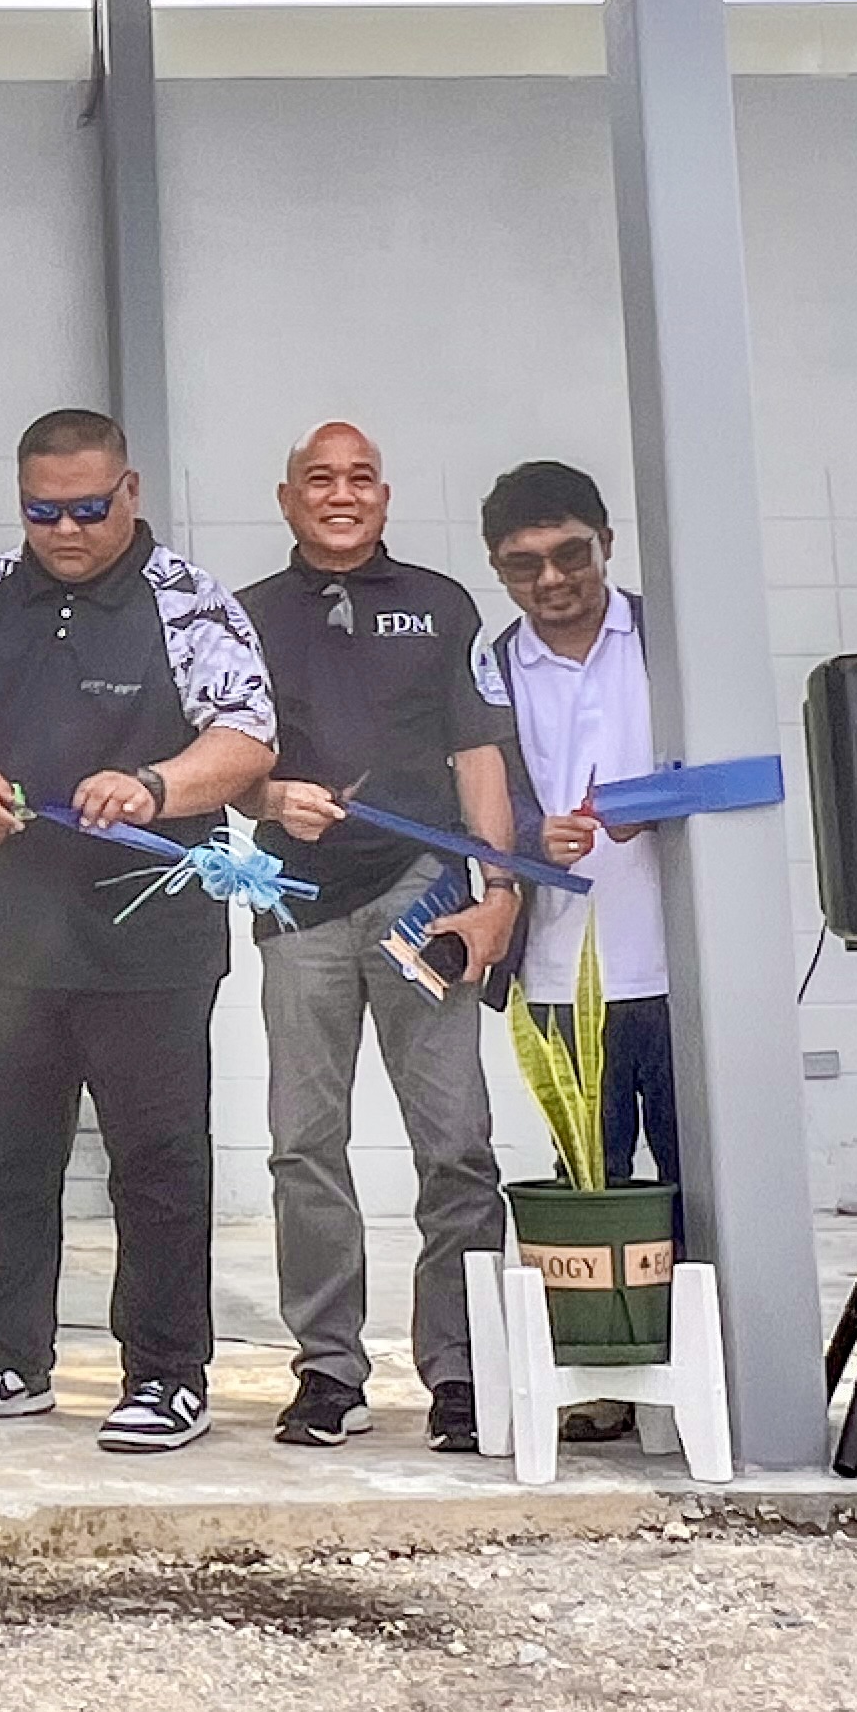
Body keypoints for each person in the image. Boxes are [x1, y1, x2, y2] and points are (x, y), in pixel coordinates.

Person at [0, 409, 277, 1454]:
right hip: (11, 935)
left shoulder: (189, 604)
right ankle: (8, 1357)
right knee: (10, 1158)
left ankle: (166, 1374)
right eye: (42, 512)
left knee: (158, 1161)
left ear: (132, 493)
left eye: (89, 510)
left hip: (149, 942)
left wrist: (159, 786)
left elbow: (246, 736)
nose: (65, 531)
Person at [238, 421, 520, 1455]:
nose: (341, 494)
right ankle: (329, 1371)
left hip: (423, 898)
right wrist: (268, 794)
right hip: (296, 899)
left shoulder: (442, 606)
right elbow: (222, 758)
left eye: (360, 478)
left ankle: (460, 1370)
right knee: (304, 1147)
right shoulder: (247, 617)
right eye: (320, 479)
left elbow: (478, 756)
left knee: (455, 1144)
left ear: (384, 497)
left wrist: (498, 895)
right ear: (288, 498)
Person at [478, 459, 678, 1443]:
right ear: (498, 570)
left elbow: (721, 769)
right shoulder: (491, 666)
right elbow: (472, 802)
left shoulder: (668, 635)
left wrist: (661, 806)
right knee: (587, 1193)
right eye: (523, 567)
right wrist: (526, 838)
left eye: (570, 555)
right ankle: (601, 1374)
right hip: (559, 976)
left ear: (606, 540)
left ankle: (702, 1372)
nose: (551, 581)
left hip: (682, 968)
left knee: (697, 1185)